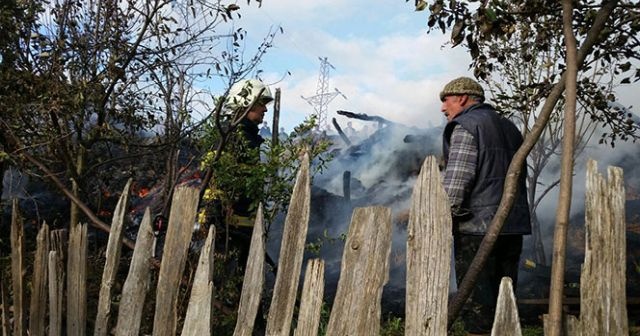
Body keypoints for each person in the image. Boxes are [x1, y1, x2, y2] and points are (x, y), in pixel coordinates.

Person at [439, 77, 531, 335]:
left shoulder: (467, 126)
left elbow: (457, 180)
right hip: (511, 226)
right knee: (505, 297)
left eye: (445, 100)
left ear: (462, 98)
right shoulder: (510, 128)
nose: (442, 108)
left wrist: (442, 218)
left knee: (477, 303)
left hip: (477, 229)